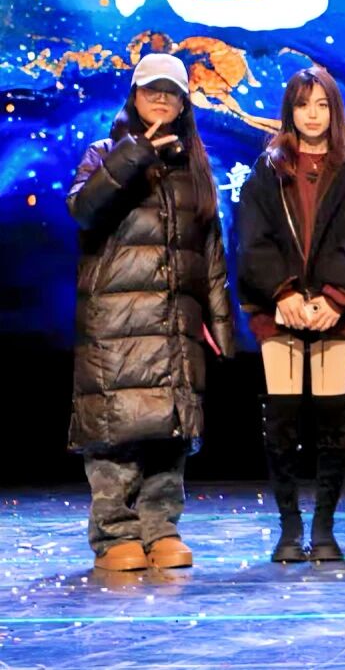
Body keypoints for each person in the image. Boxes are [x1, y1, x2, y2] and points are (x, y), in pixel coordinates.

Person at [66, 52, 234, 571]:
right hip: (116, 319)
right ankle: (115, 530)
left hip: (173, 320)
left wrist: (221, 323)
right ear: (134, 97)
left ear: (183, 103)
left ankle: (161, 526)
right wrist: (135, 153)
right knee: (116, 424)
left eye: (171, 93)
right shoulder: (105, 153)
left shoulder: (194, 167)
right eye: (151, 90)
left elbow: (211, 252)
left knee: (169, 425)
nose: (161, 99)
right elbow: (83, 208)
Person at [237, 66, 345, 563]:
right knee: (281, 419)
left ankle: (323, 527)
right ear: (290, 111)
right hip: (278, 306)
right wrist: (282, 293)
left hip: (333, 309)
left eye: (322, 105)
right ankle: (288, 528)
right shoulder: (268, 167)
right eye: (303, 105)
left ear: (335, 110)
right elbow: (252, 237)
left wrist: (335, 298)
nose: (313, 115)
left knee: (331, 419)